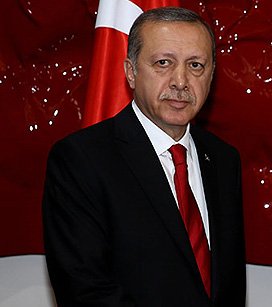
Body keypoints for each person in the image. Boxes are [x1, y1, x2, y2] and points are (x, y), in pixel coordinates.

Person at [42, 7, 245, 307]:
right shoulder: (81, 160)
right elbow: (85, 291)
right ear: (130, 72)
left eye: (196, 65)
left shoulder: (224, 160)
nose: (180, 81)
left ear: (212, 74)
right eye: (163, 63)